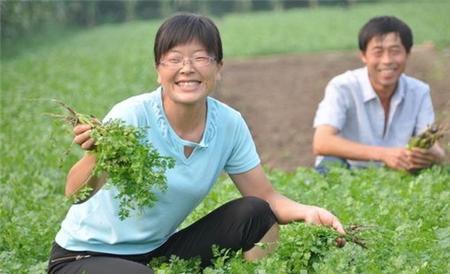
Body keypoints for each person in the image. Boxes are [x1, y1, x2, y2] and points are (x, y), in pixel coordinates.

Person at [47, 13, 344, 274]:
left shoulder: (229, 123)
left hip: (156, 253)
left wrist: (309, 212)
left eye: (201, 58)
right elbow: (75, 195)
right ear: (158, 70)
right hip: (84, 257)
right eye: (174, 59)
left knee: (256, 212)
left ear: (218, 68)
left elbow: (267, 197)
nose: (187, 68)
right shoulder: (132, 116)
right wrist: (96, 157)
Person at [312, 16, 446, 173]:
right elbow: (321, 142)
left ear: (408, 54)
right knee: (330, 163)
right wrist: (383, 154)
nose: (387, 60)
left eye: (395, 51)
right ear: (363, 56)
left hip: (396, 171)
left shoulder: (419, 91)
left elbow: (429, 141)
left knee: (428, 169)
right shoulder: (342, 86)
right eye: (378, 52)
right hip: (349, 168)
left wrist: (437, 156)